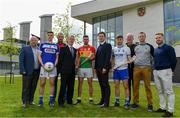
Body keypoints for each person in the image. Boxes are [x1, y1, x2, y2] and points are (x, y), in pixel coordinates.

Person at [153, 33, 177, 117]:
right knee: (160, 91)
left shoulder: (169, 48)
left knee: (169, 91)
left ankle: (170, 111)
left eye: (159, 38)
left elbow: (174, 60)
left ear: (163, 38)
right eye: (156, 38)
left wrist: (171, 70)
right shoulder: (155, 49)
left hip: (165, 71)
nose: (158, 39)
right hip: (156, 71)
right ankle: (162, 107)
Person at [132, 32, 154, 112]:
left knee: (147, 86)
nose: (141, 37)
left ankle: (150, 104)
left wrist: (151, 66)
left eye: (142, 36)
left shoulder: (149, 46)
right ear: (138, 38)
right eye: (140, 36)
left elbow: (153, 57)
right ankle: (135, 102)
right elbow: (132, 57)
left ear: (145, 37)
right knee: (135, 86)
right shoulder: (135, 47)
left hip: (146, 68)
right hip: (137, 68)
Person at [112, 35, 134, 109]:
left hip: (124, 70)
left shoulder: (127, 49)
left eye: (120, 39)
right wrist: (113, 67)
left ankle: (127, 102)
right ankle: (117, 101)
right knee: (116, 86)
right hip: (116, 70)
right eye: (118, 39)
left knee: (126, 86)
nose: (119, 41)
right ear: (116, 40)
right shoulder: (114, 49)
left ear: (123, 40)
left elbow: (129, 59)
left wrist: (131, 60)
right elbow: (113, 59)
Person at [38, 31, 59, 107]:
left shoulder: (56, 45)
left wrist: (54, 65)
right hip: (44, 67)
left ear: (53, 36)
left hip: (53, 67)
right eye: (49, 35)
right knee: (42, 83)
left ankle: (51, 100)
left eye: (51, 35)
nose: (50, 36)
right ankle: (40, 100)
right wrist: (42, 65)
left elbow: (57, 57)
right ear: (47, 36)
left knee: (52, 84)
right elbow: (39, 56)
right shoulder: (42, 44)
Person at [19, 36, 40, 107]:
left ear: (37, 41)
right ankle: (24, 102)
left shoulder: (39, 49)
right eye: (32, 40)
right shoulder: (25, 48)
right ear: (30, 41)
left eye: (35, 40)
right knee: (26, 87)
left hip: (36, 71)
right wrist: (22, 70)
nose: (34, 41)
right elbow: (21, 60)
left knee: (33, 86)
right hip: (27, 72)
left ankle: (31, 100)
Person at [75, 35, 95, 104]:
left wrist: (91, 58)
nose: (85, 40)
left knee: (90, 83)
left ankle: (91, 98)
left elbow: (93, 57)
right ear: (83, 40)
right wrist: (77, 65)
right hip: (81, 68)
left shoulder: (92, 48)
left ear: (88, 40)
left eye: (87, 39)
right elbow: (77, 58)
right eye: (84, 39)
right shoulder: (79, 48)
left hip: (89, 68)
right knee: (80, 83)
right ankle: (79, 98)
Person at [58, 35, 77, 106]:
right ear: (67, 40)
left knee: (71, 86)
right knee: (63, 86)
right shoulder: (63, 49)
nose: (71, 40)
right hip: (64, 71)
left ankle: (69, 100)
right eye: (70, 39)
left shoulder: (75, 50)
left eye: (72, 39)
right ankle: (61, 101)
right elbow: (60, 61)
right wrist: (61, 70)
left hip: (72, 72)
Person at [95, 32, 112, 108]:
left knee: (105, 85)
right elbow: (97, 58)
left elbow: (108, 57)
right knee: (101, 85)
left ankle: (106, 103)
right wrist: (95, 68)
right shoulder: (99, 47)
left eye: (102, 36)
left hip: (104, 69)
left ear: (105, 37)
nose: (101, 37)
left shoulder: (108, 45)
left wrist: (105, 67)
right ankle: (102, 101)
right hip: (98, 69)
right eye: (99, 36)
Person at [54, 32, 66, 101]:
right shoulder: (54, 45)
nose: (60, 38)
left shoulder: (65, 46)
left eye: (62, 37)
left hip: (63, 67)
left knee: (64, 82)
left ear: (63, 38)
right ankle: (54, 97)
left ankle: (63, 97)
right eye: (59, 36)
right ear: (57, 37)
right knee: (54, 82)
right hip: (56, 66)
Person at [126, 33, 136, 103]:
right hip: (126, 69)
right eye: (128, 37)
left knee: (135, 85)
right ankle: (128, 99)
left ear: (133, 38)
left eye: (130, 37)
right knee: (127, 85)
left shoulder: (136, 47)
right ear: (126, 39)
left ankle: (135, 101)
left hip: (135, 68)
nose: (129, 38)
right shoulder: (124, 47)